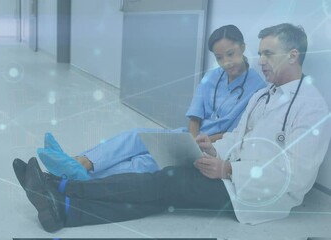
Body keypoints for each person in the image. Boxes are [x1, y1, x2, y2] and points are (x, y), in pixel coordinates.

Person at [14, 23, 331, 233]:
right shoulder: (265, 95)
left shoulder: (312, 107)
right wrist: (210, 149)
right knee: (159, 191)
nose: (261, 60)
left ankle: (62, 187)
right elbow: (239, 137)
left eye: (268, 53)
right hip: (232, 171)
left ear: (293, 55)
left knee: (167, 181)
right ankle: (64, 208)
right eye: (260, 53)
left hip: (259, 196)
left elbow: (298, 178)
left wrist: (229, 171)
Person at [35, 25, 266, 180]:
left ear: (243, 47)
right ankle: (78, 161)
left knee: (146, 161)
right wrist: (191, 138)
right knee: (136, 135)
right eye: (219, 57)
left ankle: (75, 173)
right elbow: (194, 116)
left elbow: (239, 133)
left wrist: (202, 143)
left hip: (215, 148)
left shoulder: (257, 88)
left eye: (231, 53)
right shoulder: (211, 78)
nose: (226, 62)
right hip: (190, 138)